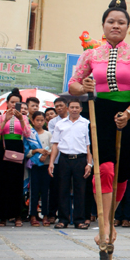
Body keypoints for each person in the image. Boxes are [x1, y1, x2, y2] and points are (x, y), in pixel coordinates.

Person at [68, 0, 130, 260]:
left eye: (121, 22)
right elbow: (73, 84)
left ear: (127, 27)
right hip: (100, 112)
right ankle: (104, 225)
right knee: (104, 168)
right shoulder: (91, 54)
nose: (115, 25)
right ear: (103, 25)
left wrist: (128, 114)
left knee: (123, 173)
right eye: (111, 21)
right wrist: (85, 88)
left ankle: (110, 219)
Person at [48, 98, 91, 229]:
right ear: (68, 108)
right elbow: (55, 144)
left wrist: (89, 164)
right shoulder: (60, 124)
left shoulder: (86, 123)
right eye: (72, 107)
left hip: (80, 159)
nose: (74, 109)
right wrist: (51, 163)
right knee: (62, 189)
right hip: (64, 159)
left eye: (76, 107)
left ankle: (79, 220)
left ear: (81, 109)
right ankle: (63, 219)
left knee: (80, 190)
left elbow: (89, 146)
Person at [0, 90, 31, 227]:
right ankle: (3, 216)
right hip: (4, 149)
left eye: (17, 102)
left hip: (18, 149)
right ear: (7, 103)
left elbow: (28, 134)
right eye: (11, 102)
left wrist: (21, 119)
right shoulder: (0, 117)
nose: (14, 105)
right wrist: (6, 120)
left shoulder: (24, 118)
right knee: (3, 183)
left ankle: (17, 215)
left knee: (16, 183)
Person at [24, 111, 51, 226]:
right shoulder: (30, 134)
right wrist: (36, 151)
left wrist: (45, 155)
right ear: (32, 121)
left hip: (46, 165)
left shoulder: (48, 134)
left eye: (42, 120)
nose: (39, 122)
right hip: (35, 166)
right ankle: (33, 215)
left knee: (46, 191)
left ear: (45, 121)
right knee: (34, 191)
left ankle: (45, 215)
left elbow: (53, 148)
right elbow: (26, 152)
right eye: (37, 120)